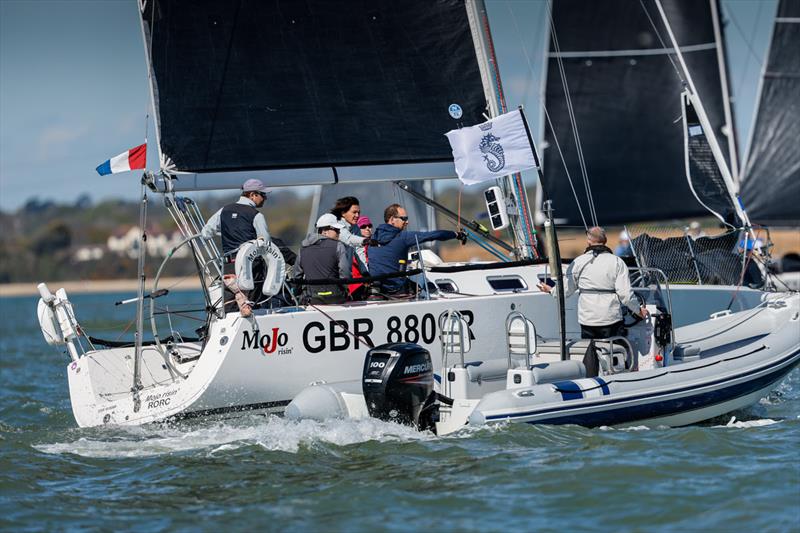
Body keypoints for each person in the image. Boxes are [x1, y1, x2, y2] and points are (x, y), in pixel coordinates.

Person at [537, 226, 648, 376]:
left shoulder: (578, 262)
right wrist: (638, 310)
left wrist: (550, 290)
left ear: (589, 241)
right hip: (610, 318)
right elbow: (626, 295)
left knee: (591, 349)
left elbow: (565, 291)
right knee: (616, 347)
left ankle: (592, 377)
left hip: (588, 319)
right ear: (606, 240)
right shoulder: (616, 262)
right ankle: (621, 375)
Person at [201, 178, 272, 313]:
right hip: (251, 267)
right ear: (252, 195)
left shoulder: (223, 211)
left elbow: (205, 233)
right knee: (253, 306)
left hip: (229, 266)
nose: (265, 198)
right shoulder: (256, 215)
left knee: (230, 307)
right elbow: (266, 245)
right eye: (263, 195)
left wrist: (228, 230)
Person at [369, 204, 466, 295]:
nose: (407, 222)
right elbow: (432, 235)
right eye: (404, 219)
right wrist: (456, 234)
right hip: (396, 288)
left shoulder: (372, 238)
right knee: (426, 286)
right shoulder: (403, 237)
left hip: (377, 289)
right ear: (392, 219)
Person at [295, 213, 359, 304]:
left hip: (312, 301)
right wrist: (345, 290)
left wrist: (297, 294)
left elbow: (297, 277)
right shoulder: (339, 246)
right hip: (336, 298)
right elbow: (345, 274)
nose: (339, 233)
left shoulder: (302, 249)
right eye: (336, 230)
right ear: (324, 231)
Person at [348, 215, 373, 298]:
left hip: (370, 284)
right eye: (363, 226)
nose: (367, 228)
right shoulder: (353, 247)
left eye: (369, 226)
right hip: (357, 287)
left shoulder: (374, 245)